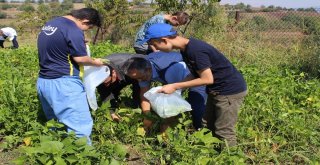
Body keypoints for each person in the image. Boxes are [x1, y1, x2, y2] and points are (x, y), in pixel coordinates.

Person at [140, 23, 248, 149]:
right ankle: (212, 154)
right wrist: (176, 86)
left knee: (223, 131)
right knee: (207, 125)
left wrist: (175, 86)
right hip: (217, 90)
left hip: (229, 91)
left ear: (164, 40)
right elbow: (196, 73)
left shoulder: (195, 50)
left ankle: (231, 158)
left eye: (154, 44)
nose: (155, 49)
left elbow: (207, 79)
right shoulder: (185, 49)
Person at [36, 8, 104, 145]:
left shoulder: (52, 23)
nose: (84, 32)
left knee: (55, 125)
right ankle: (82, 158)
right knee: (79, 126)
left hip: (44, 82)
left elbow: (57, 45)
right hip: (64, 85)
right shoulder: (73, 29)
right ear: (85, 21)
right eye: (87, 29)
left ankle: (57, 154)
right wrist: (96, 62)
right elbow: (80, 59)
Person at [122, 51, 207, 131]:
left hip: (196, 76)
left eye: (141, 77)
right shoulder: (144, 69)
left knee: (196, 105)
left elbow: (173, 99)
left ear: (148, 69)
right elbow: (144, 95)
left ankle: (200, 130)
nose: (140, 80)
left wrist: (167, 123)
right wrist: (147, 115)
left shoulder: (169, 69)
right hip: (175, 78)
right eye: (136, 79)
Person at [95, 53, 145, 121]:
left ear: (113, 73)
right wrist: (112, 113)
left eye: (107, 82)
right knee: (108, 89)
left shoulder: (131, 66)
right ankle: (116, 105)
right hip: (120, 74)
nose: (106, 84)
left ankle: (139, 109)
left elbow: (143, 85)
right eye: (104, 83)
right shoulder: (98, 75)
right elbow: (105, 93)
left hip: (135, 71)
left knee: (139, 91)